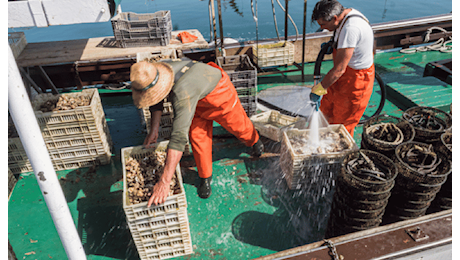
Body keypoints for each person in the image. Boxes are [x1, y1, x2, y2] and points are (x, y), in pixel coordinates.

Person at [129, 58, 264, 206]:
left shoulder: (181, 93)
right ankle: (205, 177)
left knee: (240, 127)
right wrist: (153, 131)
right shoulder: (156, 71)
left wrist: (164, 182)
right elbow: (157, 99)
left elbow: (178, 139)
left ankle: (255, 141)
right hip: (196, 102)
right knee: (198, 140)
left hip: (219, 94)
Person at [310, 0, 375, 137]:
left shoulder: (351, 29)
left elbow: (339, 70)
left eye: (323, 24)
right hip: (343, 75)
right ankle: (319, 138)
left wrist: (319, 89)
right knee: (325, 108)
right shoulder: (345, 15)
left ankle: (337, 154)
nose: (323, 28)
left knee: (342, 123)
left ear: (334, 18)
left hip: (357, 80)